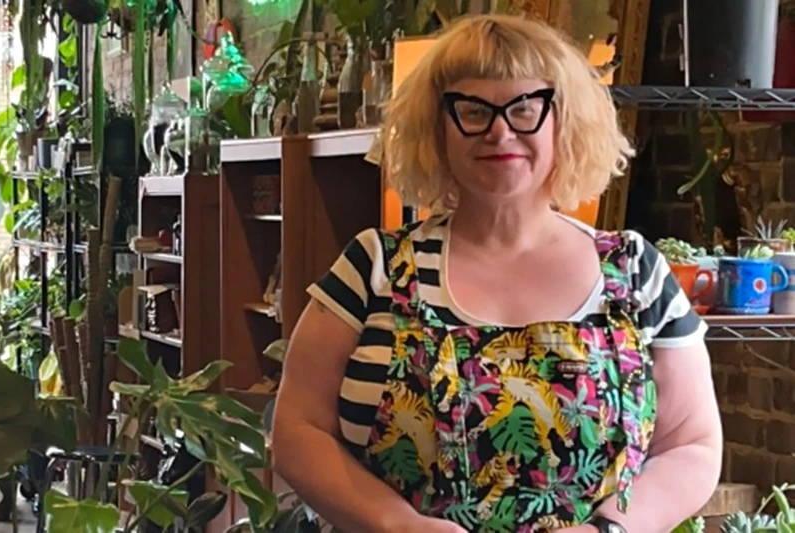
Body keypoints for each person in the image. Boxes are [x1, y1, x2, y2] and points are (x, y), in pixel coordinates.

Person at [272, 14, 722, 533]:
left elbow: (693, 443)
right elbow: (297, 431)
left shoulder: (633, 272)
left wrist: (612, 529)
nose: (500, 130)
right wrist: (397, 525)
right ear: (437, 128)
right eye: (473, 110)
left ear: (563, 120)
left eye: (525, 107)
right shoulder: (375, 268)